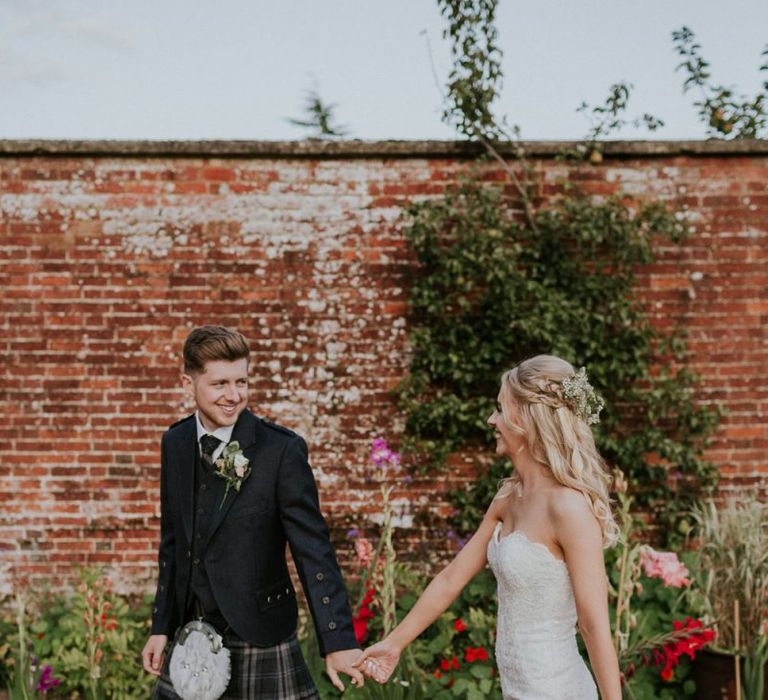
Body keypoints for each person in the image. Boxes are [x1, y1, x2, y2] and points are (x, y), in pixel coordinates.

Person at [354, 355, 622, 700]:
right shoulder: (509, 496)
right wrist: (394, 644)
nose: (490, 419)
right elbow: (451, 579)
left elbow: (593, 623)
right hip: (516, 691)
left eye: (499, 408)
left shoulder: (568, 507)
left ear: (525, 419)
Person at [141, 325, 364, 698]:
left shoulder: (280, 450)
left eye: (241, 382)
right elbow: (173, 543)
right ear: (187, 384)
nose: (233, 396)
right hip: (192, 636)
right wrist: (161, 625)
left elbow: (314, 552)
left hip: (260, 633)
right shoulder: (175, 443)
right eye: (220, 384)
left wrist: (337, 639)